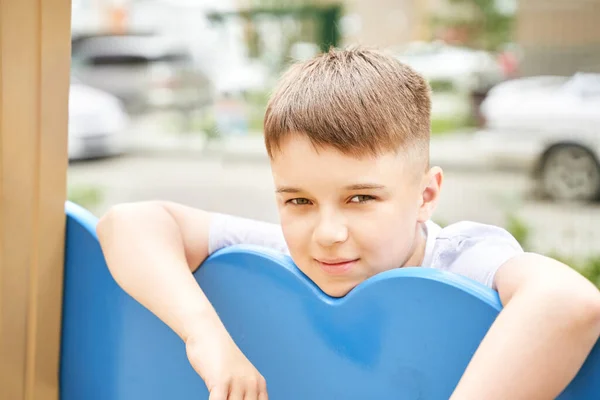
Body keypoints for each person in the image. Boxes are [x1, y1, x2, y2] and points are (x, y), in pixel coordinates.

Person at [96, 47, 600, 400]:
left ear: (426, 195)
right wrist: (207, 338)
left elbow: (570, 301)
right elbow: (129, 223)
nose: (327, 232)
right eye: (298, 201)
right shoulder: (288, 256)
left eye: (360, 197)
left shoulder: (464, 258)